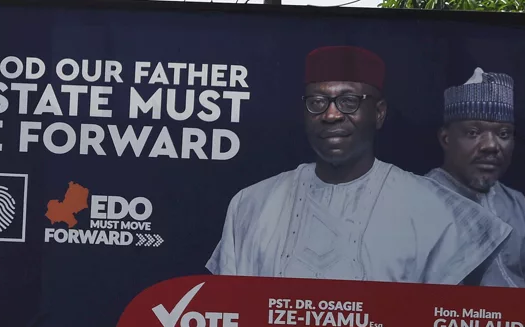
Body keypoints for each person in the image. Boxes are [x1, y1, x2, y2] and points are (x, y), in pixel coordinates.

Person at [207, 46, 509, 285]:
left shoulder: (434, 209)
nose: (332, 115)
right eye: (317, 102)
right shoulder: (251, 204)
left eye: (349, 101)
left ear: (378, 113)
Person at [426, 69, 525, 289]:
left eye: (503, 134)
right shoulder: (418, 200)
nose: (491, 145)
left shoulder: (516, 203)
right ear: (446, 138)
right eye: (473, 132)